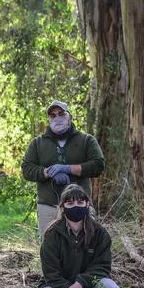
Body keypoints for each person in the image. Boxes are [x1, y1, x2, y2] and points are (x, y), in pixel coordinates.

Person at [36, 184, 118, 288]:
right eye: (70, 203)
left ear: (87, 204)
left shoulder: (99, 233)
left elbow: (102, 267)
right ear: (62, 207)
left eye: (81, 203)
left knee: (110, 287)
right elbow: (51, 274)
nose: (76, 207)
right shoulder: (52, 234)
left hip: (87, 287)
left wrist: (80, 283)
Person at [21, 100, 105, 239]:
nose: (57, 118)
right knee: (49, 247)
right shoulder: (38, 143)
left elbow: (98, 165)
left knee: (85, 243)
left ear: (69, 116)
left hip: (79, 204)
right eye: (53, 115)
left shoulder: (86, 140)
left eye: (61, 114)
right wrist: (48, 172)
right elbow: (26, 169)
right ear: (49, 119)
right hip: (48, 206)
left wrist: (68, 169)